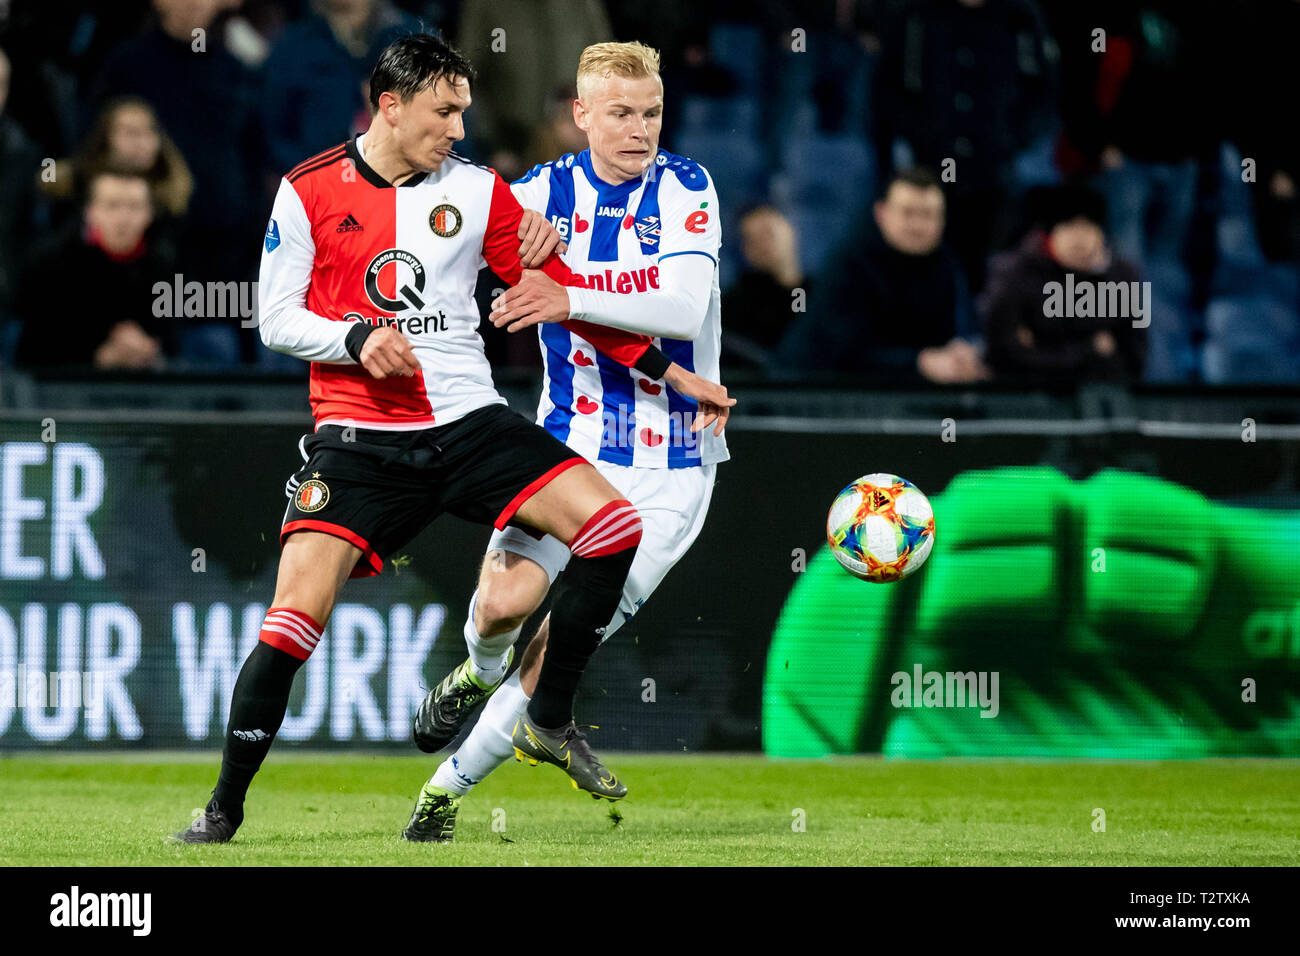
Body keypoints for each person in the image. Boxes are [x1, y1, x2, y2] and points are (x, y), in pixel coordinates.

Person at [172, 33, 730, 845]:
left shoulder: (480, 191)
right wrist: (358, 339)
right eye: (445, 111)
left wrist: (667, 372)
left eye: (465, 110)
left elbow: (548, 295)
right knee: (292, 618)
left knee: (614, 528)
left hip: (471, 422)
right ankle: (222, 811)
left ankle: (549, 715)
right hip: (360, 438)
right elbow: (277, 316)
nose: (459, 129)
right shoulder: (306, 191)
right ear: (390, 108)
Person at [401, 40, 729, 842]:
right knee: (500, 608)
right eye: (620, 113)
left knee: (553, 648)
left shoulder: (687, 186)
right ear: (580, 115)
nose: (639, 129)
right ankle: (476, 671)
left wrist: (569, 289)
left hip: (672, 467)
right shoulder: (538, 196)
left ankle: (439, 796)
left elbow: (683, 310)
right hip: (568, 445)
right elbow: (446, 256)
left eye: (651, 112)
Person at [775, 168, 987, 385]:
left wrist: (959, 354)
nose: (918, 226)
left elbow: (956, 333)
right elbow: (843, 354)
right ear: (881, 213)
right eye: (908, 213)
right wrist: (919, 362)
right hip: (812, 393)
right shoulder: (849, 265)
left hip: (907, 397)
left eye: (928, 215)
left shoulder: (947, 265)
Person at [982, 183, 1145, 384]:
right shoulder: (1012, 273)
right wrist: (1090, 350)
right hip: (1027, 396)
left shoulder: (1126, 277)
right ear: (1049, 234)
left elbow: (1135, 357)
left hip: (1099, 396)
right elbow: (1004, 355)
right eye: (1069, 226)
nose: (1079, 238)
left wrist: (1043, 347)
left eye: (1087, 227)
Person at [16, 166, 170, 370]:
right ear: (91, 212)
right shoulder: (52, 264)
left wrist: (150, 350)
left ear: (150, 213)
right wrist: (98, 356)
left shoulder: (163, 264)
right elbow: (34, 349)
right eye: (112, 206)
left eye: (134, 206)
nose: (124, 218)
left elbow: (171, 341)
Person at [721, 204, 807, 369]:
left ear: (790, 230)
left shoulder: (814, 292)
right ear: (744, 250)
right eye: (751, 239)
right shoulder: (737, 302)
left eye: (768, 232)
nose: (763, 244)